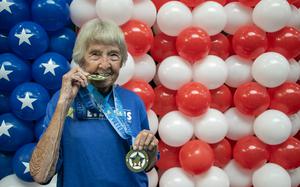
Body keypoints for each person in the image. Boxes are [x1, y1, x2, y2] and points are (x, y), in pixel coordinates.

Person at [29, 19, 159, 187]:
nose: (104, 64)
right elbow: (40, 175)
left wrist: (150, 151)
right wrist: (63, 103)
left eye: (113, 55)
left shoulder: (133, 101)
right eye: (95, 54)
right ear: (81, 60)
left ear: (122, 61)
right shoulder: (62, 100)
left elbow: (145, 165)